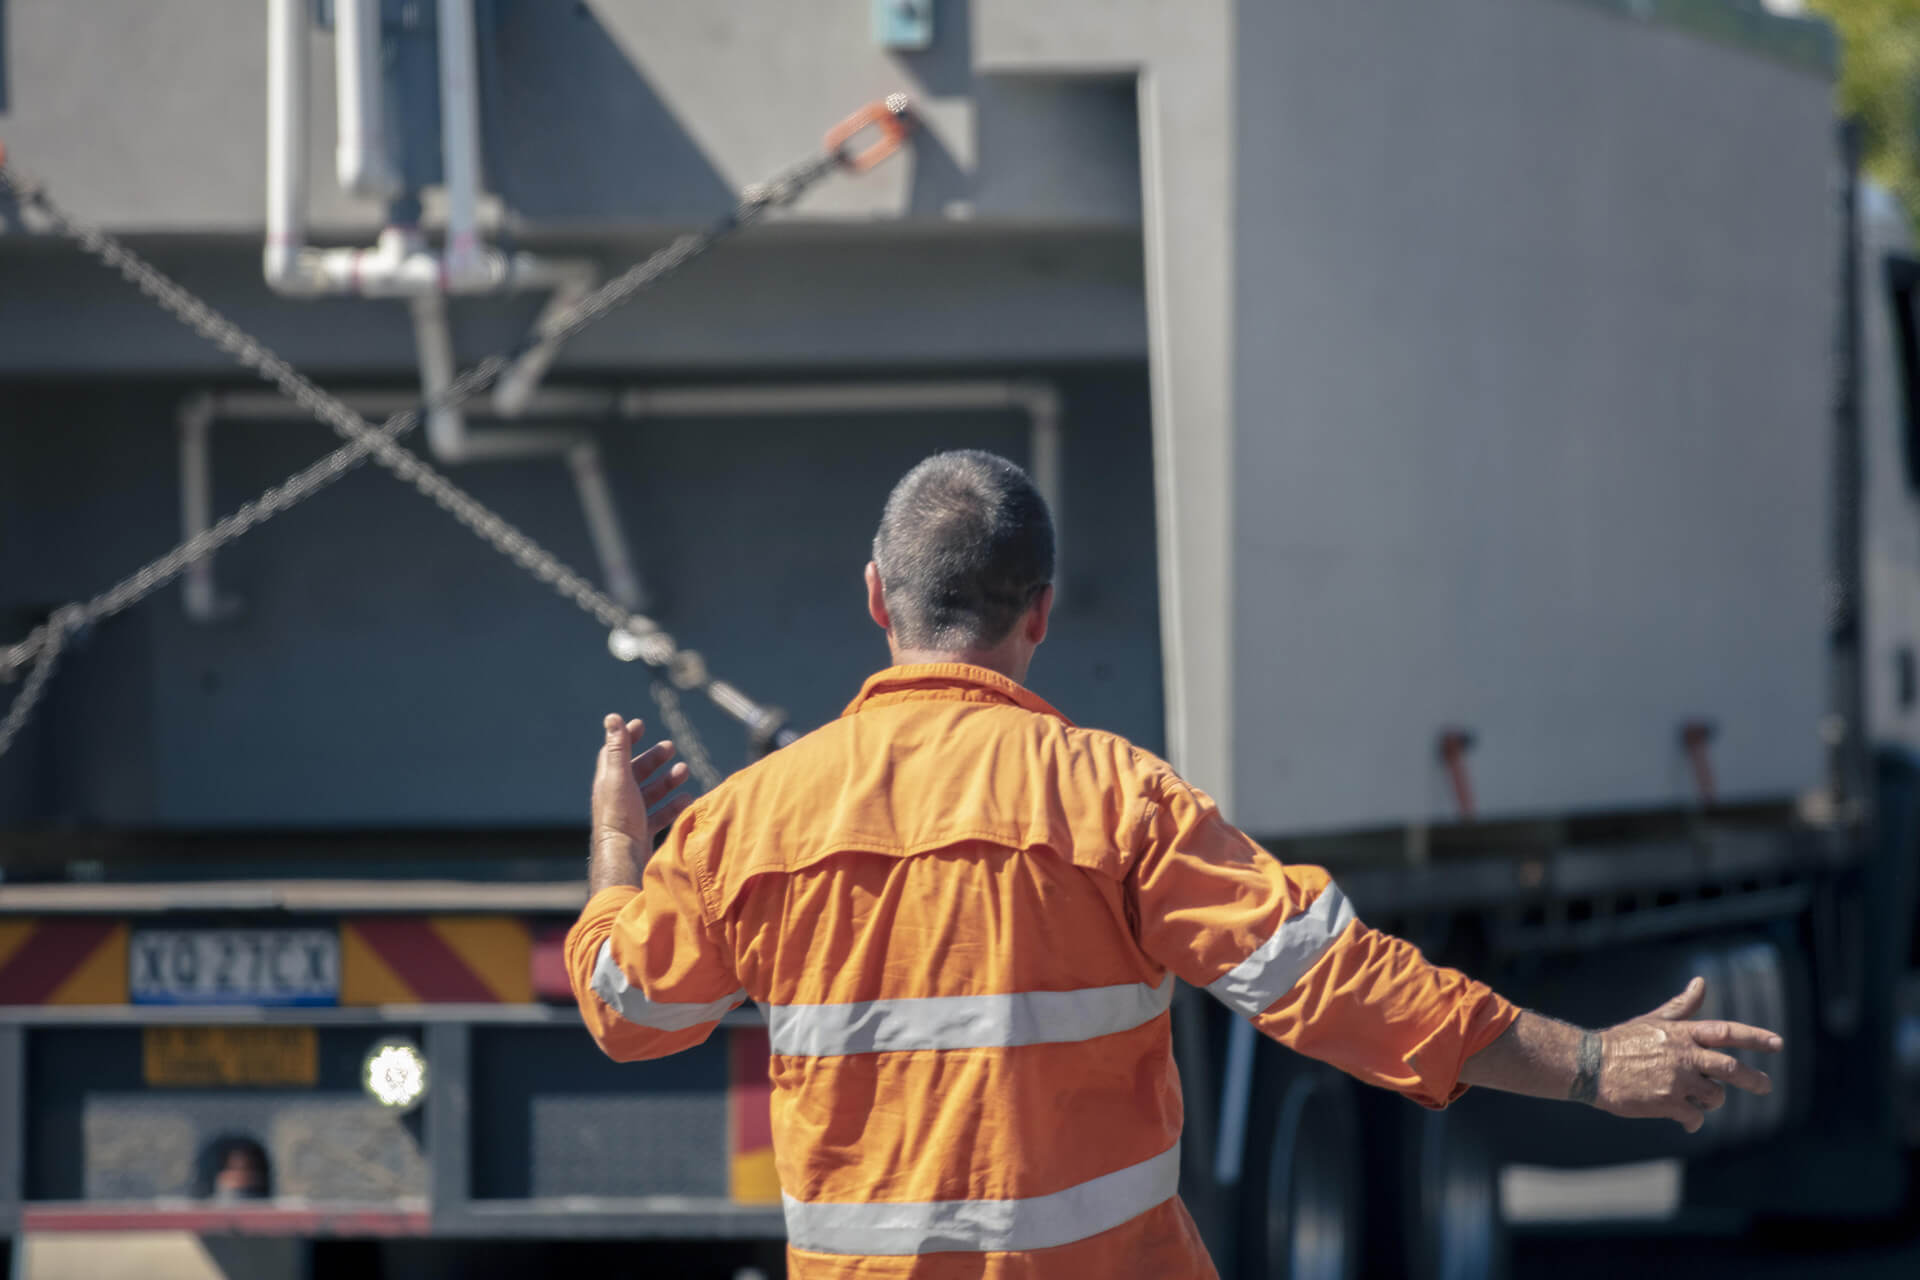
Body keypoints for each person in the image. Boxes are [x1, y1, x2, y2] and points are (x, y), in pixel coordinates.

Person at [565, 450, 1781, 1279]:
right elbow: (1335, 984)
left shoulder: (748, 823)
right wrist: (1585, 1061)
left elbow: (627, 1009)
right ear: (1040, 613)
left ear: (877, 596)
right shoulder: (1115, 797)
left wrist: (621, 844)